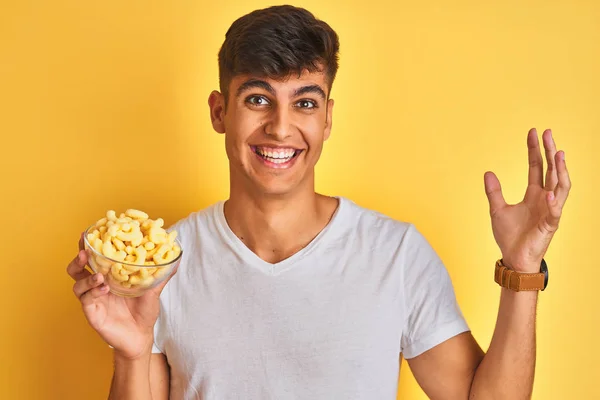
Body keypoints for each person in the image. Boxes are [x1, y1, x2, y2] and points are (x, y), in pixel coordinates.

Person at [67, 5, 571, 399]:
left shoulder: (394, 254)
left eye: (304, 102)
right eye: (258, 99)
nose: (281, 128)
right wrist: (132, 354)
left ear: (327, 118)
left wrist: (521, 269)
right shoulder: (163, 265)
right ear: (220, 112)